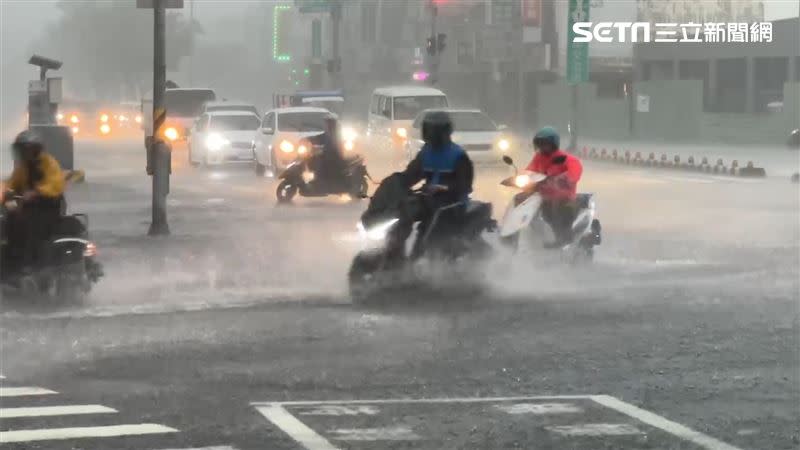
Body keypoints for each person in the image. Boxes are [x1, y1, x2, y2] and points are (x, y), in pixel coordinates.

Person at [390, 111, 474, 259]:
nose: (430, 134)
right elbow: (411, 175)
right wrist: (394, 185)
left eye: (433, 130)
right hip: (429, 200)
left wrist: (443, 188)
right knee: (402, 212)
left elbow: (465, 186)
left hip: (452, 203)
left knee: (431, 226)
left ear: (443, 131)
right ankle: (393, 255)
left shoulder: (458, 156)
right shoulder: (426, 153)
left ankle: (422, 259)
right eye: (427, 129)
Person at [2, 130, 65, 273]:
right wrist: (5, 191)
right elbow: (13, 182)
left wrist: (36, 192)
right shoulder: (23, 167)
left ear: (35, 149)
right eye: (21, 150)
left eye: (26, 150)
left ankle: (31, 264)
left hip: (48, 206)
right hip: (27, 206)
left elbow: (55, 184)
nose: (23, 154)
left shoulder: (49, 163)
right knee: (10, 219)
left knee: (28, 223)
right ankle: (11, 261)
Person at [515, 126, 583, 247]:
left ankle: (563, 238)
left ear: (553, 144)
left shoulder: (567, 159)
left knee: (556, 208)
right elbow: (530, 171)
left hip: (562, 197)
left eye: (545, 144)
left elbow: (574, 173)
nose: (542, 147)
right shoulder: (538, 158)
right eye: (540, 144)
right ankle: (513, 233)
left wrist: (564, 179)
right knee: (519, 199)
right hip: (542, 196)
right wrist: (524, 179)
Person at [308, 114, 347, 190]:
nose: (326, 123)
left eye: (328, 122)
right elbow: (321, 138)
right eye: (326, 122)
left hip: (334, 157)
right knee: (313, 158)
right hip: (329, 154)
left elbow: (333, 146)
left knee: (319, 163)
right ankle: (318, 180)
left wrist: (322, 150)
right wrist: (308, 139)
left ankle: (319, 182)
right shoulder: (330, 131)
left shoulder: (335, 132)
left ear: (332, 122)